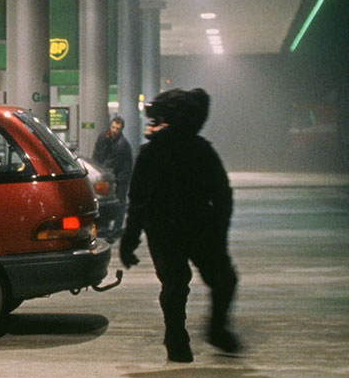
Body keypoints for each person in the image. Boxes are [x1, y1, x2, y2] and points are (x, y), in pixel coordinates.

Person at [118, 88, 241, 363]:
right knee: (181, 284)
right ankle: (181, 336)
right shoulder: (180, 152)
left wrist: (131, 237)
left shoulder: (178, 152)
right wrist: (130, 237)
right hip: (175, 229)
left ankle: (190, 336)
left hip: (185, 229)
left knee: (196, 283)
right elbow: (138, 200)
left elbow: (137, 201)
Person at [92, 115, 133, 235]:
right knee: (102, 198)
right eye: (113, 127)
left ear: (121, 130)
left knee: (120, 200)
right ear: (110, 126)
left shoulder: (122, 144)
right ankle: (104, 226)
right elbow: (97, 154)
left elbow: (111, 163)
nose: (115, 130)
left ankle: (117, 228)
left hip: (121, 175)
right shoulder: (103, 136)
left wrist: (99, 174)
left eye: (117, 129)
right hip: (107, 172)